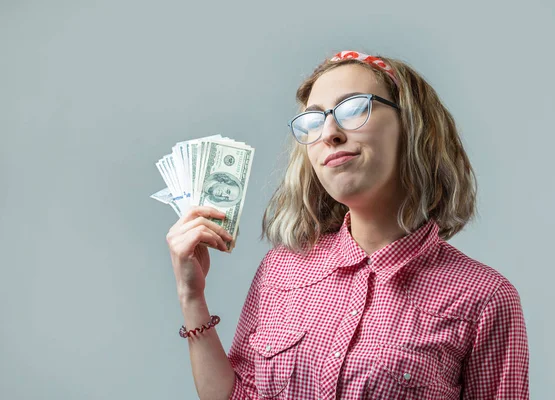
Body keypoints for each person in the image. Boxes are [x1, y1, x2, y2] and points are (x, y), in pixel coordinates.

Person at [165, 50, 529, 399]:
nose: (329, 133)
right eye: (313, 120)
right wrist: (191, 297)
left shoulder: (485, 299)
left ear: (413, 126)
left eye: (354, 109)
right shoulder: (279, 271)